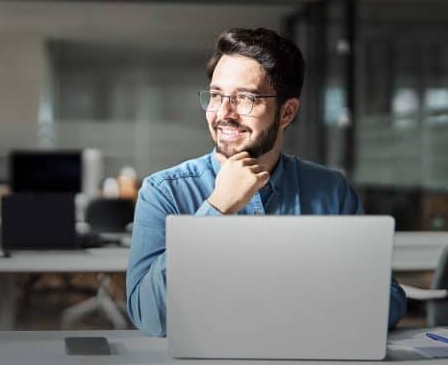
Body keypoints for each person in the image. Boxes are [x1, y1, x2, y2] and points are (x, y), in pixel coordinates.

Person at [125, 28, 407, 337]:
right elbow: (149, 315)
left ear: (286, 112)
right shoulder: (163, 192)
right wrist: (218, 209)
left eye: (245, 98)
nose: (223, 114)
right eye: (217, 96)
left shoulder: (331, 191)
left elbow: (387, 303)